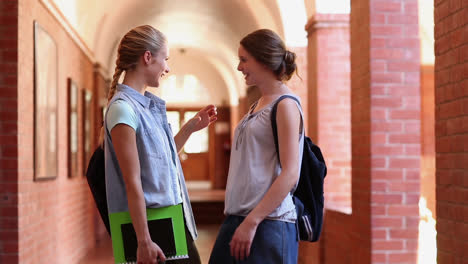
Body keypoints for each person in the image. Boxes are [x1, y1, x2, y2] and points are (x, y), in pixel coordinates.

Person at [103, 25, 217, 264]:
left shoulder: (144, 107)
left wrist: (189, 128)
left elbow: (158, 162)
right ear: (147, 57)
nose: (167, 67)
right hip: (153, 233)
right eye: (165, 59)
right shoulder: (123, 109)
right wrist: (144, 241)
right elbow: (132, 183)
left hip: (171, 222)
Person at [209, 29, 304, 264]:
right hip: (238, 218)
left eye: (244, 60)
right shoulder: (257, 103)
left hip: (267, 222)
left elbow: (291, 173)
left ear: (263, 60)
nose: (239, 67)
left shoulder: (285, 105)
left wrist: (252, 221)